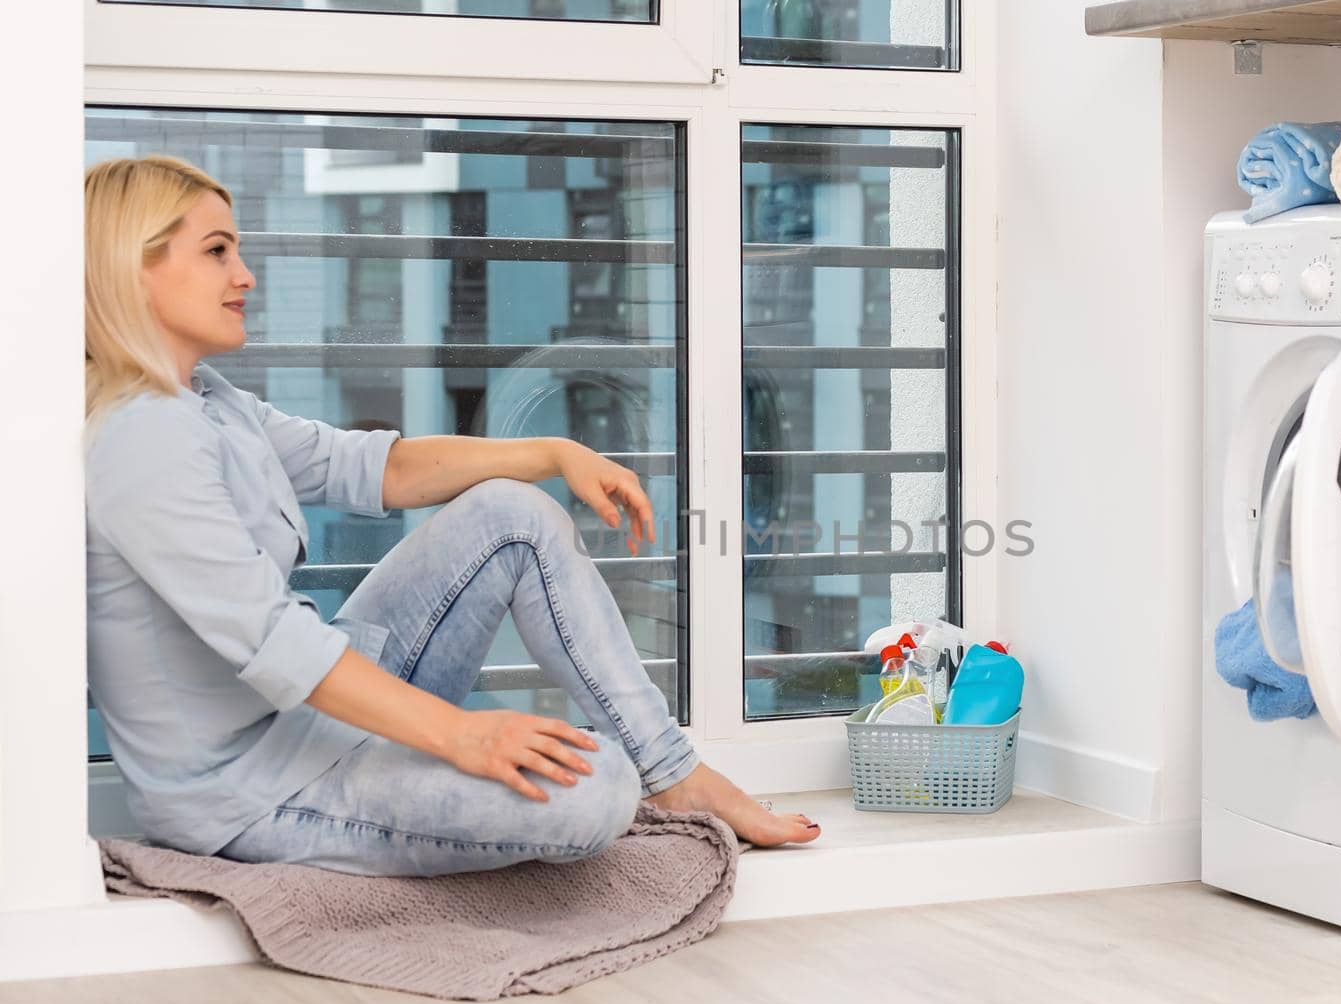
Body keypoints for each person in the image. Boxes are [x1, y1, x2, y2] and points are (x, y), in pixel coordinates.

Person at [83, 155, 820, 877]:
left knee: (513, 513)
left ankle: (672, 768)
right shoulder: (140, 440)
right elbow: (275, 641)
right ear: (134, 269)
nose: (245, 275)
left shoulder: (209, 401)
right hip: (247, 790)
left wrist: (553, 452)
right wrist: (464, 736)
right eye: (217, 252)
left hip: (308, 725)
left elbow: (374, 465)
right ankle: (630, 775)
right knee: (595, 794)